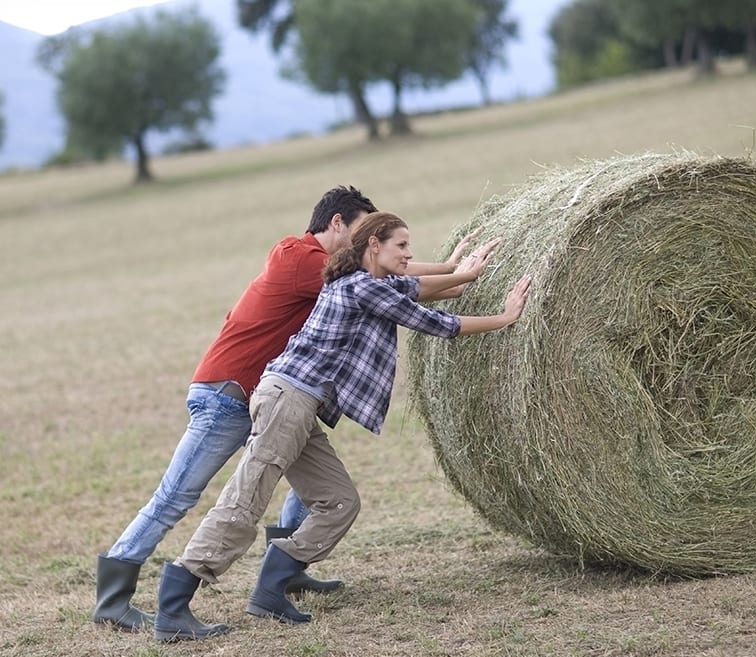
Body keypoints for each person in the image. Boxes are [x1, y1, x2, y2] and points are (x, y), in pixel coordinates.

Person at [92, 186, 478, 632]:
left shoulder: (340, 270)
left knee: (314, 486)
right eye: (360, 232)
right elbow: (393, 286)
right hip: (229, 394)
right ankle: (113, 599)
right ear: (336, 224)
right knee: (176, 496)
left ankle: (285, 574)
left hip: (277, 393)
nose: (367, 242)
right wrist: (455, 270)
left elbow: (391, 285)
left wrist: (455, 272)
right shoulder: (301, 258)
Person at [152, 211, 532, 642]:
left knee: (338, 501)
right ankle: (174, 606)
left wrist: (462, 270)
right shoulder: (360, 287)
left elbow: (430, 289)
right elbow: (438, 323)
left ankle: (271, 588)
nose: (409, 253)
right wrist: (505, 318)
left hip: (298, 404)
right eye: (402, 246)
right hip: (285, 401)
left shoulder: (367, 284)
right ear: (374, 246)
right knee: (245, 501)